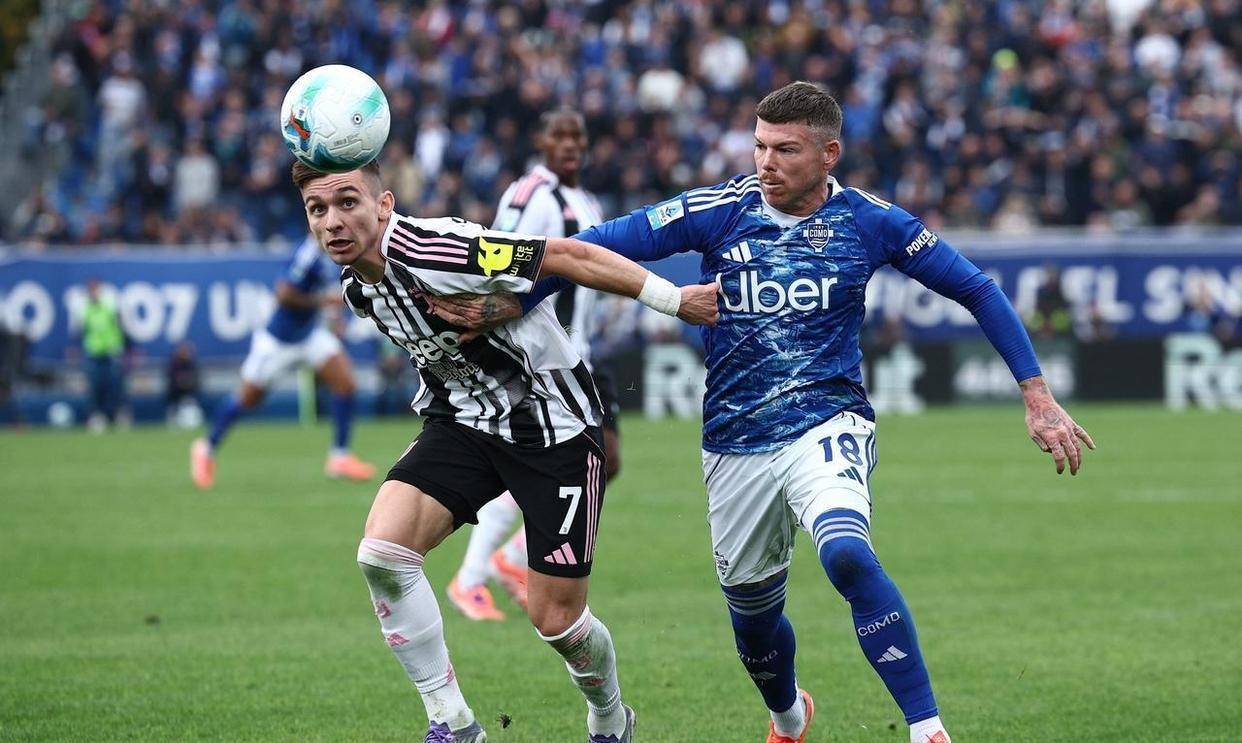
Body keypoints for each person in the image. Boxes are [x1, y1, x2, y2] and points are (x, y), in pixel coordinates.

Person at [431, 81, 1095, 743]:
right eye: (759, 146)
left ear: (829, 154)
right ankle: (788, 717)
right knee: (752, 620)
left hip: (827, 420)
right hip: (734, 441)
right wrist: (516, 301)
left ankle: (927, 728)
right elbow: (591, 245)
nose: (766, 163)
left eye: (786, 149)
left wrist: (1036, 394)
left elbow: (977, 288)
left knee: (847, 553)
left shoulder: (872, 221)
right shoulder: (718, 210)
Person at [291, 158, 717, 742]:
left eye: (348, 203)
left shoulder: (440, 250)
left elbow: (567, 255)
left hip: (554, 426)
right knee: (382, 554)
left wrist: (676, 301)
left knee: (557, 621)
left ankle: (610, 717)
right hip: (464, 422)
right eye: (317, 209)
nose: (333, 221)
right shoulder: (358, 289)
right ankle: (452, 723)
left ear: (384, 204)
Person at [447, 109, 620, 622]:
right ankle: (473, 576)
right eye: (558, 135)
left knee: (603, 461)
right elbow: (496, 257)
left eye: (576, 136)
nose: (568, 144)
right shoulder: (529, 194)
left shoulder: (586, 200)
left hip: (579, 352)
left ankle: (505, 559)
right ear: (541, 141)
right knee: (553, 463)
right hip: (541, 355)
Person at [190, 235, 374, 489]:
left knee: (345, 383)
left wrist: (332, 318)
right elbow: (284, 294)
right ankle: (206, 448)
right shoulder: (307, 254)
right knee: (247, 399)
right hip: (279, 341)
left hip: (308, 335)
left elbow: (318, 292)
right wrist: (324, 302)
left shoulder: (330, 253)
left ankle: (339, 457)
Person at [77, 278, 131, 432]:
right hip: (94, 353)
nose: (94, 292)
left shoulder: (109, 307)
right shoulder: (85, 309)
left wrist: (122, 345)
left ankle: (118, 414)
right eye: (91, 290)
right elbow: (83, 331)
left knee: (115, 385)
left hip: (111, 351)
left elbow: (120, 326)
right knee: (95, 386)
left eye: (96, 289)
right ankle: (96, 416)